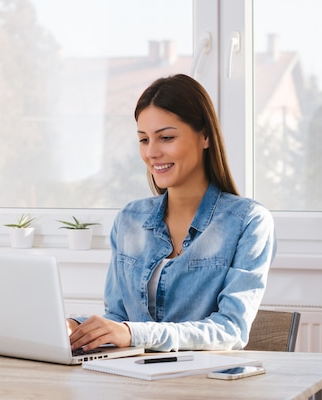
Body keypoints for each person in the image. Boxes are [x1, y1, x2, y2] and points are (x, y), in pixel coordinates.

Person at [68, 74, 276, 353]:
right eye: (143, 139)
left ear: (205, 136)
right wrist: (74, 327)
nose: (152, 152)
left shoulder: (248, 221)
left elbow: (231, 330)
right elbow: (118, 318)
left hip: (203, 386)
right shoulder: (130, 219)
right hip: (133, 380)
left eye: (166, 137)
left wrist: (134, 333)